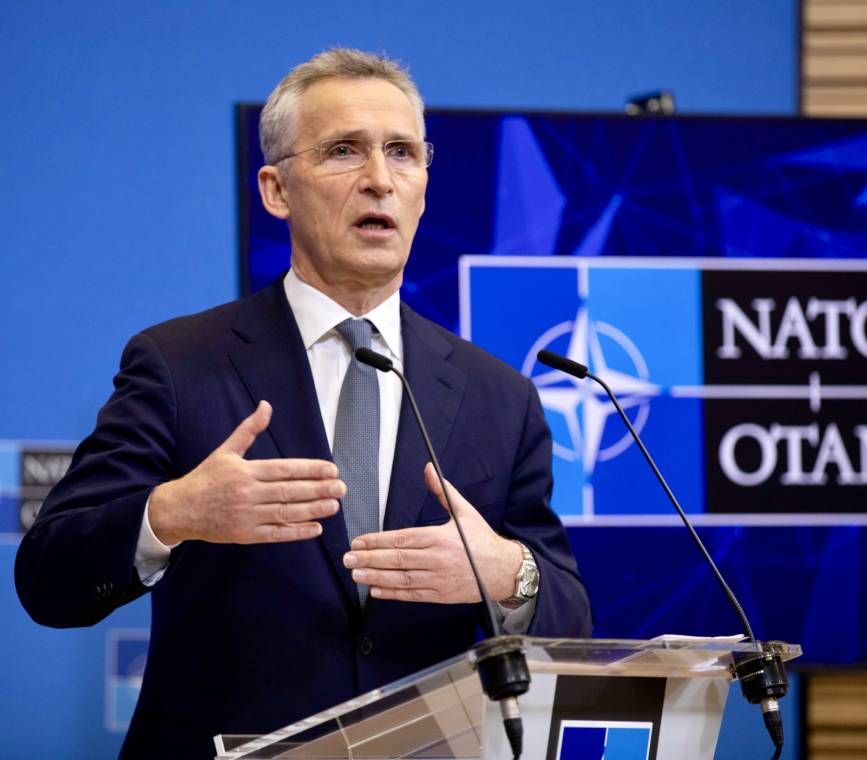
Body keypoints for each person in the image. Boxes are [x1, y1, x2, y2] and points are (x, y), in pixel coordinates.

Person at [15, 48, 591, 759]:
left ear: (424, 187)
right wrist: (173, 514)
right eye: (345, 151)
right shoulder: (179, 365)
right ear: (276, 190)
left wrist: (506, 574)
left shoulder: (499, 396)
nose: (379, 179)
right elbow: (48, 579)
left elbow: (571, 620)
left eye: (402, 154)